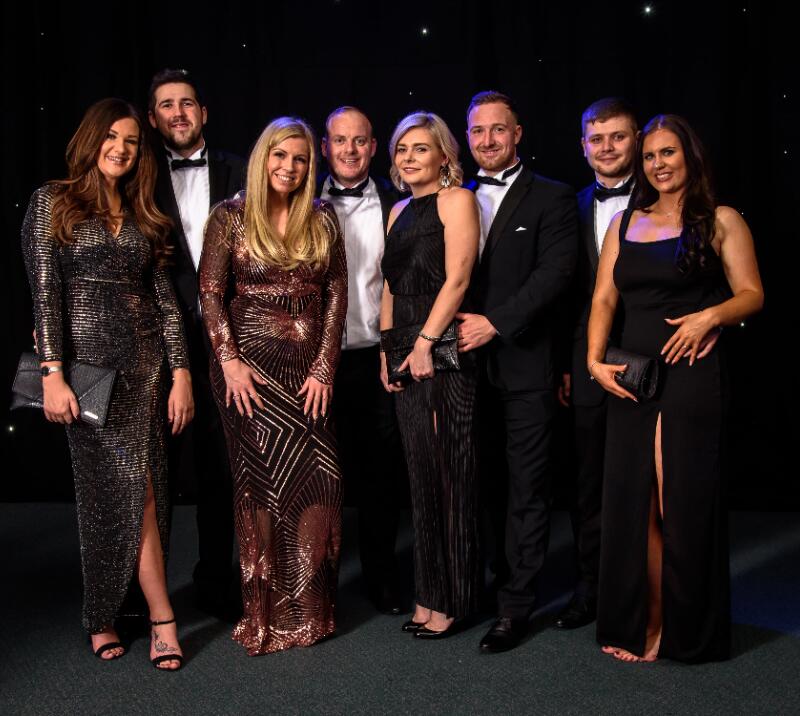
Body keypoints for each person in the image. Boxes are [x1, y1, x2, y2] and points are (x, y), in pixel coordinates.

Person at [21, 98, 192, 670]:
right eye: (111, 138)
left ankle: (108, 616)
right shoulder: (53, 202)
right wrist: (52, 374)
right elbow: (45, 295)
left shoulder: (145, 213)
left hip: (147, 372)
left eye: (132, 142)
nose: (121, 149)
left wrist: (182, 374)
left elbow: (166, 305)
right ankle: (154, 617)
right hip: (90, 375)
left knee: (148, 491)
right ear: (91, 139)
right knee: (113, 498)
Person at [587, 114, 764, 663]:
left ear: (689, 155)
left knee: (678, 501)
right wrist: (593, 360)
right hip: (632, 375)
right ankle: (644, 623)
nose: (658, 164)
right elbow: (603, 300)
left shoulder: (721, 220)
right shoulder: (624, 222)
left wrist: (708, 317)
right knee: (634, 504)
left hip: (691, 375)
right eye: (650, 157)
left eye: (668, 153)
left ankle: (686, 632)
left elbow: (752, 294)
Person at [199, 116, 347, 655]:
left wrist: (325, 367)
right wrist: (230, 361)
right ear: (264, 158)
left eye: (301, 159)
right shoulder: (230, 217)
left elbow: (336, 296)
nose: (289, 167)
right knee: (263, 490)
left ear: (311, 167)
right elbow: (211, 294)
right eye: (280, 156)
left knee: (321, 484)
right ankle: (267, 615)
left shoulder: (324, 217)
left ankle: (310, 611)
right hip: (248, 373)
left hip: (309, 373)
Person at [459, 90, 578, 653]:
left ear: (518, 133)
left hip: (525, 362)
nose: (487, 140)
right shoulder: (449, 195)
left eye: (497, 130)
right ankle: (488, 583)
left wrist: (495, 324)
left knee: (527, 488)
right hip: (459, 367)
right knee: (478, 483)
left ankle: (515, 606)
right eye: (477, 131)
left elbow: (554, 277)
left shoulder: (552, 199)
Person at [148, 68, 246, 621]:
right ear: (155, 116)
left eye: (187, 103)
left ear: (203, 112)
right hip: (153, 346)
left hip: (225, 344)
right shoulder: (135, 176)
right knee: (153, 474)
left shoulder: (239, 171)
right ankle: (151, 594)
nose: (179, 113)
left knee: (219, 469)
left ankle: (216, 580)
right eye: (167, 105)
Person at [380, 111, 480, 638]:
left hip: (441, 351)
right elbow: (390, 287)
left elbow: (459, 277)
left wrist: (424, 344)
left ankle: (453, 600)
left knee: (449, 476)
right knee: (419, 478)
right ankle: (426, 595)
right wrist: (385, 350)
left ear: (444, 154)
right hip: (402, 349)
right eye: (402, 149)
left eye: (421, 148)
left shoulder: (458, 201)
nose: (410, 157)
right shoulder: (397, 210)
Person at [319, 106, 408, 615]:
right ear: (326, 147)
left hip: (377, 358)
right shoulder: (300, 204)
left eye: (360, 141)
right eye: (340, 141)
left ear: (374, 148)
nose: (350, 150)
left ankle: (382, 579)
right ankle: (319, 585)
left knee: (380, 476)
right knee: (321, 477)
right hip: (317, 363)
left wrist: (392, 349)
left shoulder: (399, 204)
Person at [554, 97, 639, 630]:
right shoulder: (573, 203)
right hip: (587, 360)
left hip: (655, 356)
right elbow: (571, 296)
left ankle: (645, 584)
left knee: (646, 479)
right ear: (584, 147)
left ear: (635, 141)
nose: (606, 147)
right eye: (596, 138)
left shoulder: (667, 200)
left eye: (618, 137)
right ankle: (591, 587)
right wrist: (570, 363)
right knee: (588, 481)